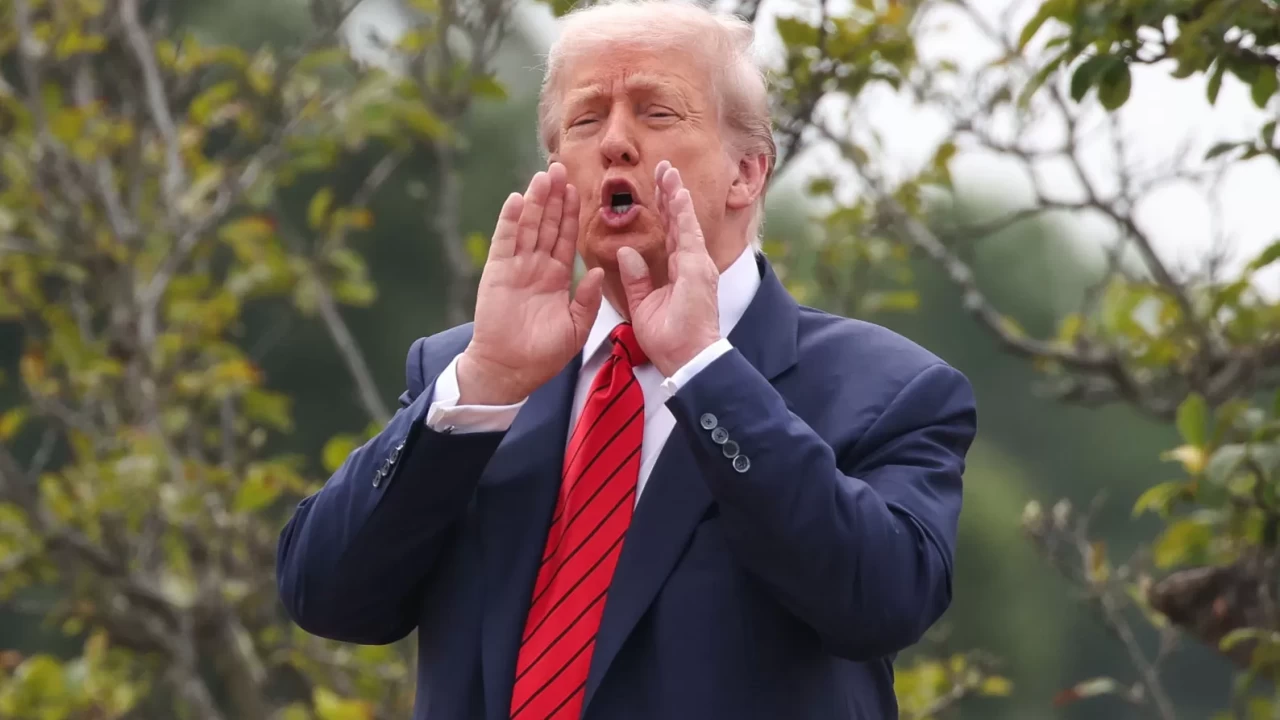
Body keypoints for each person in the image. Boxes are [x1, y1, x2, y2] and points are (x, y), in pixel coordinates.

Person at [275, 1, 977, 718]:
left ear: (746, 173)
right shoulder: (470, 376)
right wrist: (487, 379)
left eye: (656, 112)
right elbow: (326, 597)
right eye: (585, 121)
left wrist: (705, 371)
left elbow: (881, 602)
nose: (615, 141)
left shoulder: (889, 390)